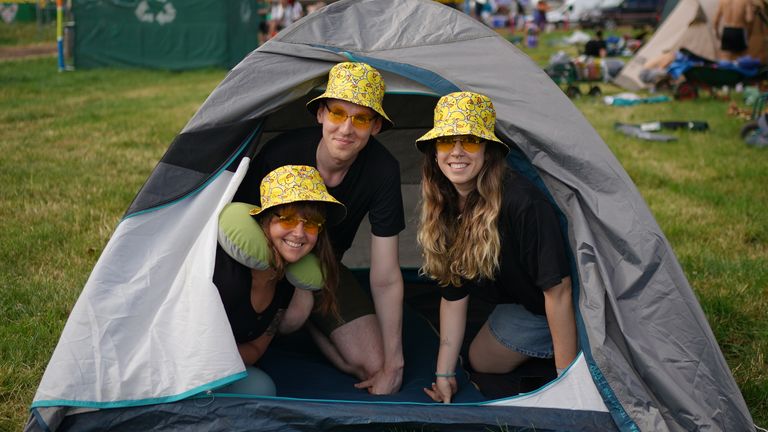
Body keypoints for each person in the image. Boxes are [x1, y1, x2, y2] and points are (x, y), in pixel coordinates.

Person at [234, 62, 406, 395]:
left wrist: (394, 364)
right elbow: (238, 219)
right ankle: (301, 319)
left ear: (376, 127)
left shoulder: (383, 170)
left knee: (374, 367)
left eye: (361, 118)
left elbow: (385, 275)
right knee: (273, 333)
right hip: (266, 263)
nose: (346, 129)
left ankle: (316, 325)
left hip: (324, 267)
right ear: (320, 115)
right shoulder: (282, 154)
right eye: (338, 113)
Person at [414, 92, 578, 404]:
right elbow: (453, 293)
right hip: (523, 305)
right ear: (435, 152)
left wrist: (567, 382)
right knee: (481, 360)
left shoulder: (521, 202)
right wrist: (445, 374)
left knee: (557, 343)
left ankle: (577, 351)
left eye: (470, 141)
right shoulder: (445, 202)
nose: (458, 152)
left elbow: (560, 292)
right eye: (448, 141)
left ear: (488, 151)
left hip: (563, 305)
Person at [215, 164, 346, 395]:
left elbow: (256, 349)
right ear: (265, 221)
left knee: (262, 388)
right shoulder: (224, 274)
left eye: (312, 224)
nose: (299, 233)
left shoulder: (286, 282)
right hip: (186, 371)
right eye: (287, 219)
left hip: (225, 370)